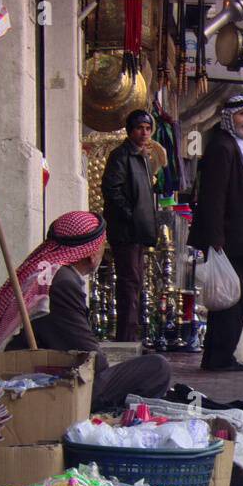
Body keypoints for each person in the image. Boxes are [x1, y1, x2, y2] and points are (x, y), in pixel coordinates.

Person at [0, 211, 171, 412]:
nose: (103, 251)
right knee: (157, 368)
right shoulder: (63, 283)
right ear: (91, 254)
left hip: (36, 370)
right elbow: (94, 361)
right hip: (44, 386)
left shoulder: (50, 274)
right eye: (102, 245)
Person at [187, 95, 243, 372]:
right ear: (229, 117)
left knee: (229, 300)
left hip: (238, 238)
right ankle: (220, 358)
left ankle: (216, 356)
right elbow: (214, 197)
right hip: (227, 239)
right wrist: (216, 239)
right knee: (232, 301)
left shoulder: (239, 147)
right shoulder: (223, 147)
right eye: (242, 114)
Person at [101, 109, 158, 343]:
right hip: (125, 232)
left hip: (137, 232)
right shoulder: (121, 155)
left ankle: (131, 335)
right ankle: (125, 337)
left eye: (147, 128)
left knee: (135, 284)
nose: (144, 133)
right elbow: (112, 190)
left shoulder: (142, 157)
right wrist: (131, 216)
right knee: (128, 283)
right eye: (139, 128)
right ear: (130, 130)